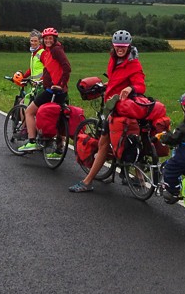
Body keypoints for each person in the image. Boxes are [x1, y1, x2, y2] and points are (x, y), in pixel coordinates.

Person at [68, 29, 146, 192]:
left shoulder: (133, 64)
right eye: (117, 46)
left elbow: (140, 85)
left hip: (121, 109)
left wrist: (131, 88)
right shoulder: (113, 59)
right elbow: (115, 79)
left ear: (128, 46)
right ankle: (139, 180)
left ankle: (87, 182)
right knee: (130, 140)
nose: (120, 49)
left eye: (123, 46)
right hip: (111, 105)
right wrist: (106, 85)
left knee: (104, 143)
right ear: (113, 46)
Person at [17, 26, 72, 155]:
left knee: (29, 111)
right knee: (57, 117)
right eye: (46, 38)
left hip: (53, 90)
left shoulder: (56, 50)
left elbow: (67, 67)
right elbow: (49, 70)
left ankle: (31, 141)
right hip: (57, 89)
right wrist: (42, 80)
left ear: (54, 39)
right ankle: (58, 149)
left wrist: (60, 84)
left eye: (50, 38)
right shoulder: (48, 51)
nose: (47, 40)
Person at [13, 29, 46, 141]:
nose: (32, 43)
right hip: (34, 86)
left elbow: (47, 70)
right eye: (31, 41)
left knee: (23, 104)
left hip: (39, 86)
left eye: (35, 41)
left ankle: (24, 129)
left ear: (40, 42)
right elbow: (31, 69)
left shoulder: (42, 53)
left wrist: (41, 80)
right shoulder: (34, 53)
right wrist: (23, 77)